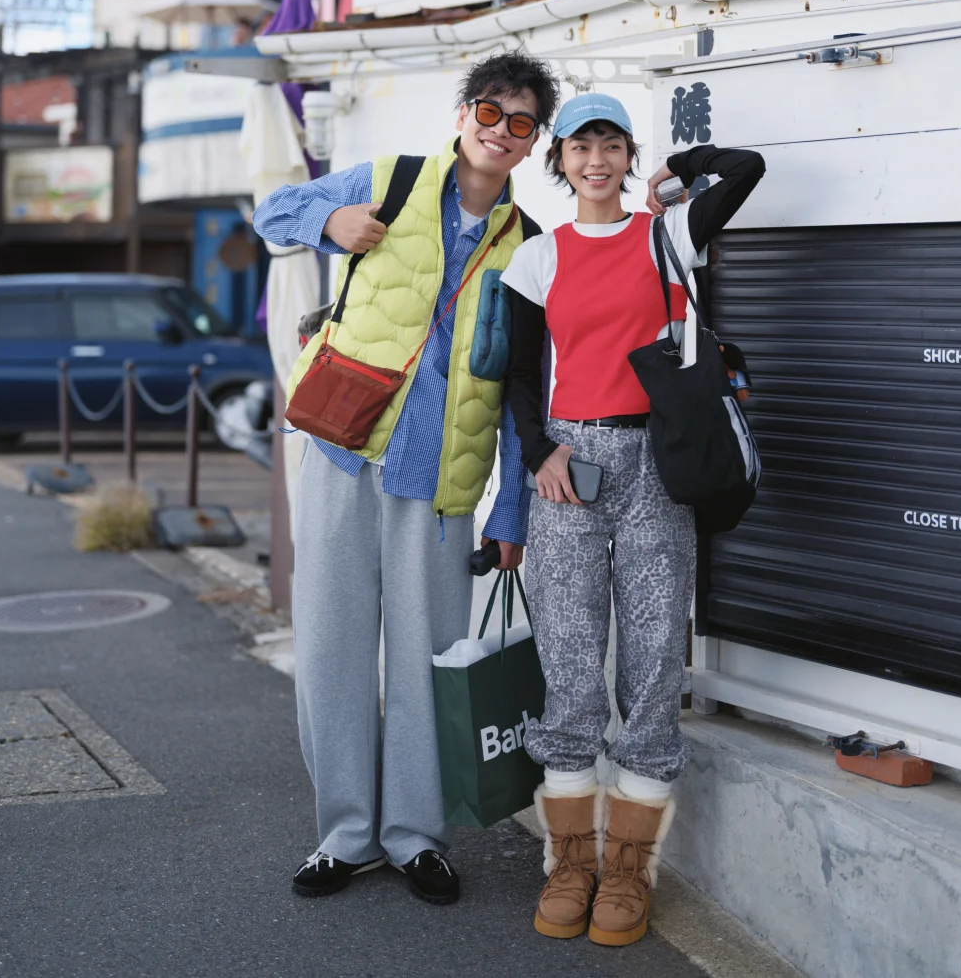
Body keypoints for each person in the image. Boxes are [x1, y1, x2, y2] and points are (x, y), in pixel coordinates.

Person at [252, 51, 559, 906]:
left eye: (521, 122)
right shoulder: (388, 179)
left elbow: (519, 389)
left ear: (533, 144)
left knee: (430, 662)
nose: (501, 131)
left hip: (442, 478)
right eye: (489, 113)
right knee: (333, 646)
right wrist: (330, 226)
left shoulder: (528, 246)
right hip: (344, 447)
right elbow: (272, 211)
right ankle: (345, 836)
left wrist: (514, 508)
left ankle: (414, 835)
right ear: (463, 114)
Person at [502, 92, 765, 947]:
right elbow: (516, 373)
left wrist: (678, 174)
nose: (597, 161)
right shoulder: (537, 258)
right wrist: (538, 450)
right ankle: (569, 862)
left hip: (658, 456)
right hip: (568, 466)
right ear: (561, 161)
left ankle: (627, 871)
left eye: (612, 145)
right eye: (581, 147)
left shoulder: (668, 235)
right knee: (570, 658)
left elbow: (748, 170)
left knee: (652, 659)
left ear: (626, 156)